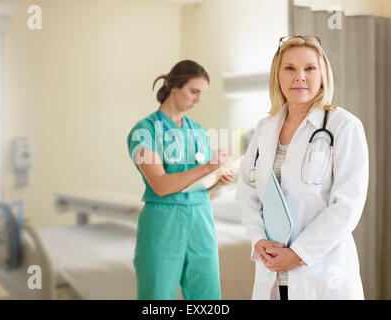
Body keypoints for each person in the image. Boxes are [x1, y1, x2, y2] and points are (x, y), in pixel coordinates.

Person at [236, 36, 369, 300]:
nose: (300, 76)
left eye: (309, 68)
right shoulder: (264, 129)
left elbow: (347, 206)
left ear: (322, 75)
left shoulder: (343, 126)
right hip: (272, 274)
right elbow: (247, 193)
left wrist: (297, 255)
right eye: (290, 68)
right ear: (278, 75)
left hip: (321, 274)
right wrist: (258, 240)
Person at [127, 60, 234, 300]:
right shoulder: (144, 131)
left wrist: (217, 180)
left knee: (206, 299)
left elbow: (201, 190)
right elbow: (161, 185)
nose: (197, 100)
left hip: (201, 220)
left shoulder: (199, 131)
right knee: (158, 298)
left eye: (201, 94)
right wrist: (208, 166)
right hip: (163, 222)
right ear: (174, 86)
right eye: (193, 91)